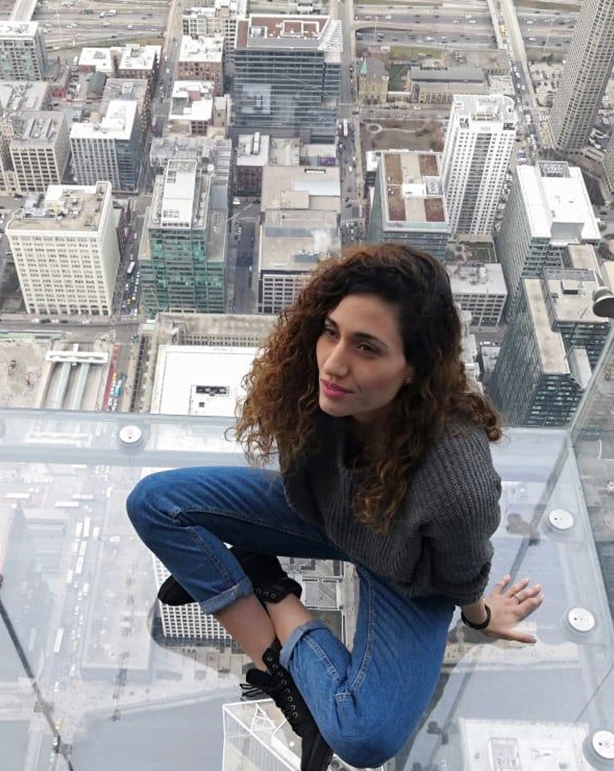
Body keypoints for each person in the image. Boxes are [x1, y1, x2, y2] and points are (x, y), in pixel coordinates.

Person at [127, 243, 544, 771]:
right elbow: (302, 482)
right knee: (155, 503)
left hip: (405, 573)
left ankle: (273, 589)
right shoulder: (315, 388)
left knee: (364, 739)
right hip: (324, 520)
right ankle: (280, 673)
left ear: (415, 367)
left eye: (367, 348)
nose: (334, 362)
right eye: (331, 331)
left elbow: (460, 572)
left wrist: (481, 617)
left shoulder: (456, 479)